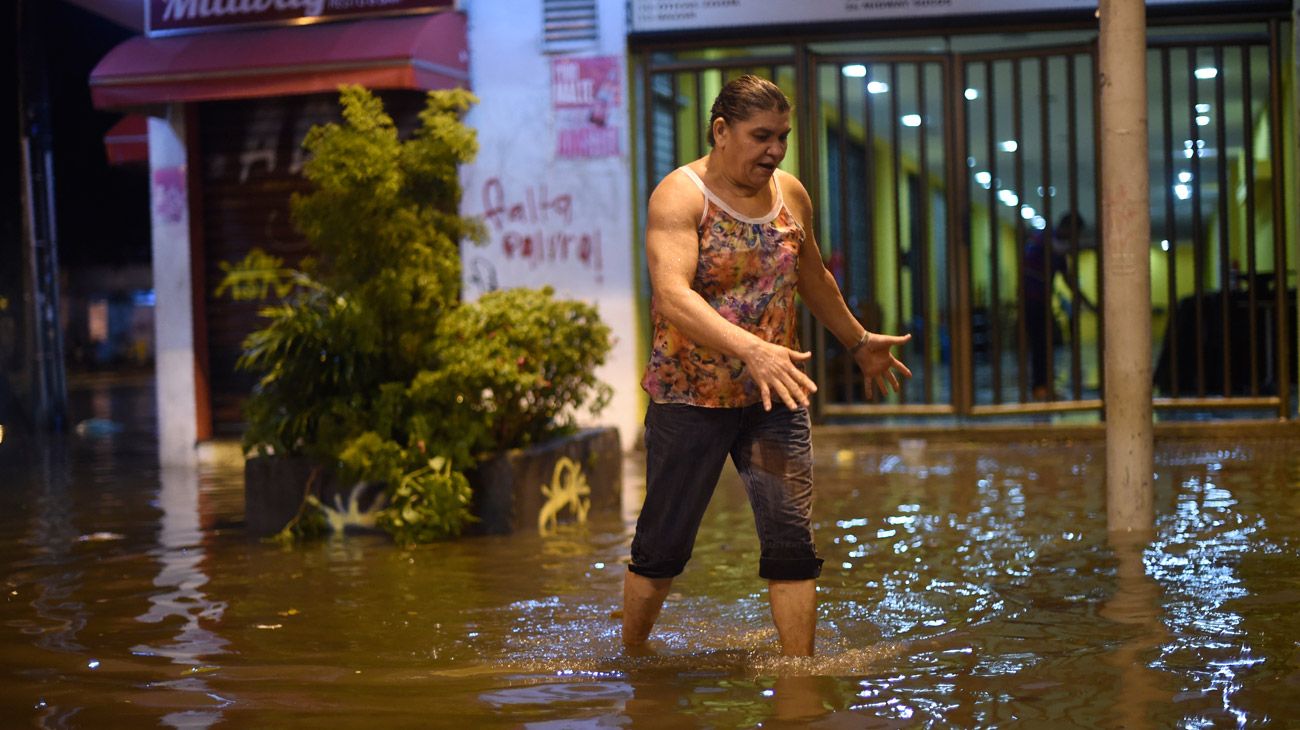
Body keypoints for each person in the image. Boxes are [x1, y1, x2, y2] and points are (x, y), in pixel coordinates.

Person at [623, 75, 912, 657]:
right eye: (761, 137)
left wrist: (856, 340)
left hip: (773, 400)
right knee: (662, 548)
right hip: (690, 398)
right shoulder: (680, 196)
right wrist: (750, 347)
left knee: (791, 543)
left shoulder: (791, 194)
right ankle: (630, 665)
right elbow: (673, 296)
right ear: (722, 131)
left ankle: (799, 682)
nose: (774, 150)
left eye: (782, 137)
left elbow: (811, 276)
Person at [1021, 212, 1092, 401]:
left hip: (1042, 300)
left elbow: (1068, 280)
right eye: (1075, 234)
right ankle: (1039, 387)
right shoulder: (1045, 235)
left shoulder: (1056, 249)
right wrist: (1094, 244)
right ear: (1068, 227)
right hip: (1030, 299)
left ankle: (1044, 386)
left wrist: (1088, 303)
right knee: (1040, 343)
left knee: (1048, 342)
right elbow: (1060, 249)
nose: (1074, 238)